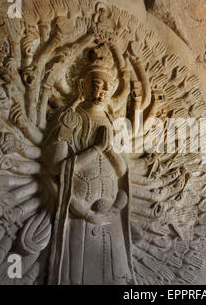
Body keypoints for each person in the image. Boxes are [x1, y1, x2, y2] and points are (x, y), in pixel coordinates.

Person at [45, 45, 132, 284]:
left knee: (115, 277)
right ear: (83, 85)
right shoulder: (71, 119)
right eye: (96, 83)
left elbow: (122, 171)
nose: (102, 90)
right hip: (80, 213)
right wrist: (94, 150)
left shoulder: (111, 121)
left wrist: (110, 151)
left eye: (106, 86)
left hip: (111, 213)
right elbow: (56, 170)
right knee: (81, 276)